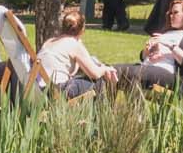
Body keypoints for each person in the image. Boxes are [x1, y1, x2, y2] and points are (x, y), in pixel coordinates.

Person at [36, 6, 175, 97]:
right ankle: (99, 123)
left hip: (39, 89)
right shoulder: (73, 44)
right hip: (57, 91)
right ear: (82, 29)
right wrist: (105, 69)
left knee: (89, 81)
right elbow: (95, 73)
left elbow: (68, 68)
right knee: (103, 81)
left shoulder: (49, 41)